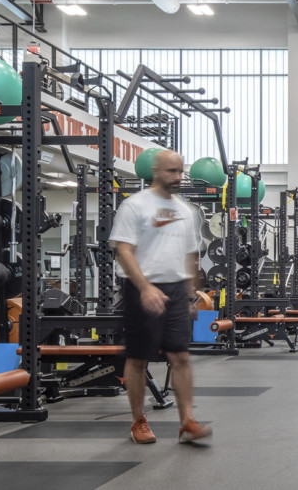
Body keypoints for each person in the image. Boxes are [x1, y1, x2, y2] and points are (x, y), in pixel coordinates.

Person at [110, 150, 212, 445]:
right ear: (156, 171)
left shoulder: (187, 210)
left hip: (176, 290)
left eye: (180, 172)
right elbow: (124, 250)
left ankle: (187, 422)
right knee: (139, 358)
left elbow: (192, 252)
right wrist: (145, 287)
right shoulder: (135, 206)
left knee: (180, 355)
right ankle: (138, 421)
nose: (178, 177)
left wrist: (192, 287)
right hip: (142, 288)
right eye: (171, 171)